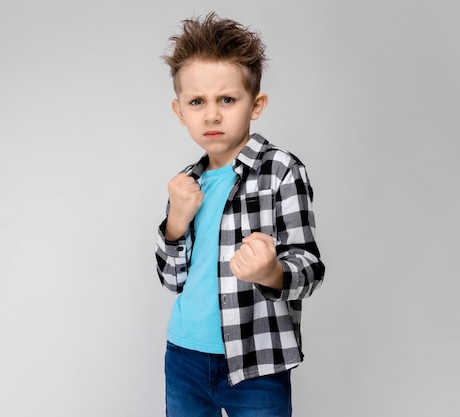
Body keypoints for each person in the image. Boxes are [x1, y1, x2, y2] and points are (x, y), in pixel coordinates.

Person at [155, 12, 325, 417]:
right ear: (180, 111)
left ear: (256, 104)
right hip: (184, 357)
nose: (211, 115)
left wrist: (271, 272)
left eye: (226, 100)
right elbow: (170, 278)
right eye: (197, 102)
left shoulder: (280, 170)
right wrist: (176, 221)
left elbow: (310, 268)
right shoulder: (185, 183)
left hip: (257, 360)